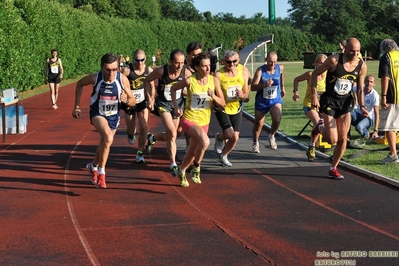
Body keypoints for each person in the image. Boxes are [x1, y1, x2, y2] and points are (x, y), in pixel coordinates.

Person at [72, 53, 136, 188]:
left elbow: (133, 100)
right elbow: (79, 84)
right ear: (102, 68)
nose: (111, 73)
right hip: (97, 114)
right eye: (108, 69)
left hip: (114, 116)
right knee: (107, 137)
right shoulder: (96, 78)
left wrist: (127, 100)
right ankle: (102, 173)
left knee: (105, 143)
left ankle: (93, 166)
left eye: (114, 69)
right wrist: (77, 106)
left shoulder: (122, 79)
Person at [308, 37, 367, 179]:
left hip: (346, 102)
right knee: (331, 140)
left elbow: (359, 89)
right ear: (345, 48)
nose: (355, 54)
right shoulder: (334, 60)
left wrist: (363, 106)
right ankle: (319, 128)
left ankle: (333, 167)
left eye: (358, 51)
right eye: (352, 51)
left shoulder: (361, 65)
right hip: (330, 101)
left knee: (343, 139)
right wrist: (314, 96)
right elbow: (315, 74)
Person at [170, 52, 225, 187]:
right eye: (204, 66)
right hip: (189, 119)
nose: (208, 69)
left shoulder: (214, 81)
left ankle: (182, 170)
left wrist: (213, 96)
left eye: (209, 66)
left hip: (204, 121)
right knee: (205, 142)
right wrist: (176, 106)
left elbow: (222, 103)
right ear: (196, 67)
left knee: (193, 150)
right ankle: (196, 168)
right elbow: (173, 88)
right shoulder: (190, 81)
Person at [144, 49, 192, 176]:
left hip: (177, 105)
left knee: (174, 135)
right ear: (170, 61)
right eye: (176, 63)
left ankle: (152, 138)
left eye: (182, 63)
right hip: (163, 104)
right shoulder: (161, 71)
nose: (179, 66)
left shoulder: (186, 72)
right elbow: (147, 81)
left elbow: (192, 88)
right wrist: (149, 97)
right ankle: (173, 164)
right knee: (171, 131)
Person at [213, 50, 249, 166]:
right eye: (229, 62)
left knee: (235, 137)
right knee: (229, 133)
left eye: (235, 61)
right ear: (223, 62)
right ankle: (220, 138)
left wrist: (243, 95)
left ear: (238, 60)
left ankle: (223, 155)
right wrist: (221, 102)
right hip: (222, 108)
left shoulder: (243, 71)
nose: (232, 64)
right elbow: (219, 96)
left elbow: (247, 91)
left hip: (236, 107)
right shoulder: (218, 75)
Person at [121, 49, 154, 163]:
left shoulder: (149, 70)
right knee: (132, 130)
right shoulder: (127, 70)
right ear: (133, 59)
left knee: (144, 127)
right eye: (137, 60)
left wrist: (151, 99)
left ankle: (140, 153)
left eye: (142, 60)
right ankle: (130, 134)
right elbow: (120, 83)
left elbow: (152, 86)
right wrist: (124, 96)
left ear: (145, 59)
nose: (139, 63)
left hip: (142, 102)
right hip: (129, 102)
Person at [293, 54, 327, 161]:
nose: (322, 65)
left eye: (324, 63)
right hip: (309, 104)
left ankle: (311, 145)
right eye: (320, 63)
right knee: (318, 122)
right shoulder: (310, 74)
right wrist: (296, 92)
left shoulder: (328, 74)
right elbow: (296, 80)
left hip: (322, 106)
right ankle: (312, 146)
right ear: (316, 63)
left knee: (320, 124)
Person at [251, 52, 285, 153]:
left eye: (275, 62)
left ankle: (271, 136)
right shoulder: (260, 70)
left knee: (277, 118)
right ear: (266, 60)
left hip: (275, 100)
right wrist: (264, 85)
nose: (273, 64)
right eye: (270, 62)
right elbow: (253, 87)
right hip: (262, 101)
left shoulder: (280, 68)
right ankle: (255, 142)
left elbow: (282, 74)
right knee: (259, 124)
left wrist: (282, 87)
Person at [378, 39, 399, 164]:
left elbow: (385, 78)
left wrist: (384, 96)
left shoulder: (386, 57)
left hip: (393, 95)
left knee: (390, 126)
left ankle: (393, 155)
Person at [350, 75, 380, 146]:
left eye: (371, 82)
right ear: (364, 82)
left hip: (368, 118)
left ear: (374, 84)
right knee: (348, 112)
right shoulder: (360, 88)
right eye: (367, 81)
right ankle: (347, 135)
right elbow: (351, 88)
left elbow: (377, 113)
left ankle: (367, 134)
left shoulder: (375, 95)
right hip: (357, 115)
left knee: (359, 127)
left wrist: (375, 130)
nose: (369, 83)